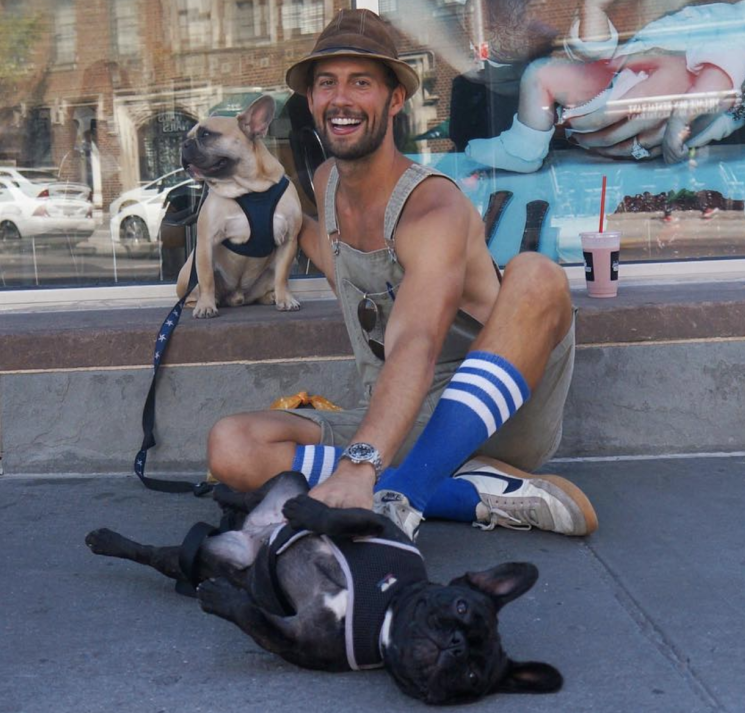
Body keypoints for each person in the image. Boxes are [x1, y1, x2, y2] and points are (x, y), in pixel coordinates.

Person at [207, 9, 597, 541]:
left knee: (537, 275)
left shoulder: (432, 208)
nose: (340, 99)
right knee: (232, 445)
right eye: (327, 84)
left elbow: (415, 340)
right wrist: (237, 221)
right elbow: (328, 255)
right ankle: (476, 494)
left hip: (487, 418)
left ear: (394, 100)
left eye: (360, 83)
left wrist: (361, 462)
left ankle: (404, 495)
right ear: (312, 101)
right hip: (395, 413)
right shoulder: (324, 185)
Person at [466, 0, 745, 171]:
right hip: (625, 81)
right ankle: (524, 144)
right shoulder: (730, 24)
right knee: (543, 73)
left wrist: (679, 125)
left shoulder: (736, 31)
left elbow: (712, 88)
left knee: (540, 75)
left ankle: (524, 146)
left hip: (630, 88)